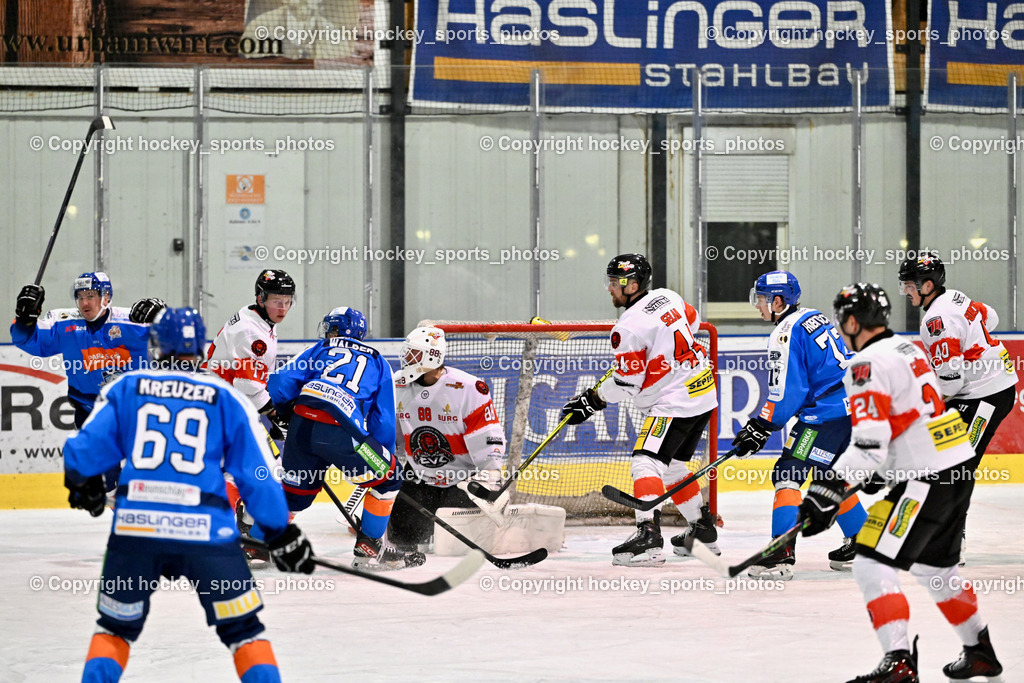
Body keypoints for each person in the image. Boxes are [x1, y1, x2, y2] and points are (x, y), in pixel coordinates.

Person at [62, 307, 315, 683]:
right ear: (200, 349)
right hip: (207, 535)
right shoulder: (227, 399)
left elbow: (82, 454)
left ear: (155, 345)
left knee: (114, 630)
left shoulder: (127, 388)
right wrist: (280, 532)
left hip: (136, 530)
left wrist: (85, 486)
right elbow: (257, 476)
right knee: (244, 632)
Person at [799, 283, 1002, 682]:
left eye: (843, 320)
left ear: (853, 321)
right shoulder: (909, 351)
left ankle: (899, 662)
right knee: (936, 570)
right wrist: (881, 473)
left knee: (871, 562)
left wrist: (825, 492)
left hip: (926, 476)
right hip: (955, 463)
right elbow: (907, 421)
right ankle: (980, 651)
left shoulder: (863, 366)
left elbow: (868, 447)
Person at [562, 253, 718, 566]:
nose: (609, 289)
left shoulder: (627, 329)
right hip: (703, 393)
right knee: (672, 467)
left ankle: (648, 537)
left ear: (631, 284)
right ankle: (702, 532)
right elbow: (694, 321)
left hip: (674, 403)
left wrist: (591, 401)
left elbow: (628, 385)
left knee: (645, 462)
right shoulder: (667, 296)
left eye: (613, 283)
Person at [267, 306, 422, 570]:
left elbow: (280, 382)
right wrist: (379, 456)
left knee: (295, 495)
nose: (329, 332)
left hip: (302, 427)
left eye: (332, 327)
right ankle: (368, 551)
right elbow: (383, 420)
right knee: (390, 477)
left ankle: (254, 545)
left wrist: (284, 415)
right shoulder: (378, 360)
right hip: (344, 431)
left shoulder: (319, 348)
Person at [736, 271, 868, 579]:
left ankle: (780, 553)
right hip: (849, 410)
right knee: (828, 475)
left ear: (778, 301)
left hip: (823, 416)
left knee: (789, 472)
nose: (758, 306)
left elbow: (787, 394)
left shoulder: (784, 333)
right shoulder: (813, 315)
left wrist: (760, 425)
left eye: (762, 300)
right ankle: (863, 543)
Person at [898, 254, 1018, 563]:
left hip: (986, 395)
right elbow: (990, 317)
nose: (906, 292)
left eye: (909, 286)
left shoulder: (935, 321)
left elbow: (950, 382)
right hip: (987, 389)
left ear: (927, 285)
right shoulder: (955, 297)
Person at [387, 325, 507, 552]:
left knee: (454, 548)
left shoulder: (468, 388)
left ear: (432, 357)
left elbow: (488, 437)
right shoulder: (397, 384)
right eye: (408, 352)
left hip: (461, 478)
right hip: (419, 475)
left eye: (414, 353)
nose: (406, 358)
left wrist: (491, 477)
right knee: (401, 540)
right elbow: (388, 433)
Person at [203, 269, 295, 550]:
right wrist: (275, 415)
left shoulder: (255, 318)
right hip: (224, 409)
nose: (282, 307)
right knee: (262, 470)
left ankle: (232, 529)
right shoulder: (252, 333)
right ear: (261, 298)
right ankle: (233, 534)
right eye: (276, 300)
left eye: (287, 300)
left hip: (219, 405)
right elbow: (248, 386)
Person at [12, 272, 165, 428]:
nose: (84, 303)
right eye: (80, 297)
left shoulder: (134, 322)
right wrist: (25, 320)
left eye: (90, 296)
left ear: (106, 297)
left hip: (136, 408)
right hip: (89, 412)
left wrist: (162, 315)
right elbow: (28, 340)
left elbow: (177, 339)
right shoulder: (64, 323)